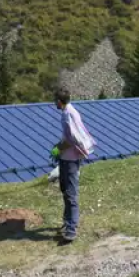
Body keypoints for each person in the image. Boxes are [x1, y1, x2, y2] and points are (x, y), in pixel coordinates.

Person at [51, 88, 95, 243]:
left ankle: (71, 228)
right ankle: (67, 220)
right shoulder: (69, 111)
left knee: (70, 192)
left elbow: (71, 139)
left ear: (58, 101)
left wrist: (58, 148)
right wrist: (59, 148)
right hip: (66, 157)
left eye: (54, 100)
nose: (53, 103)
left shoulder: (68, 114)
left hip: (70, 159)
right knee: (65, 189)